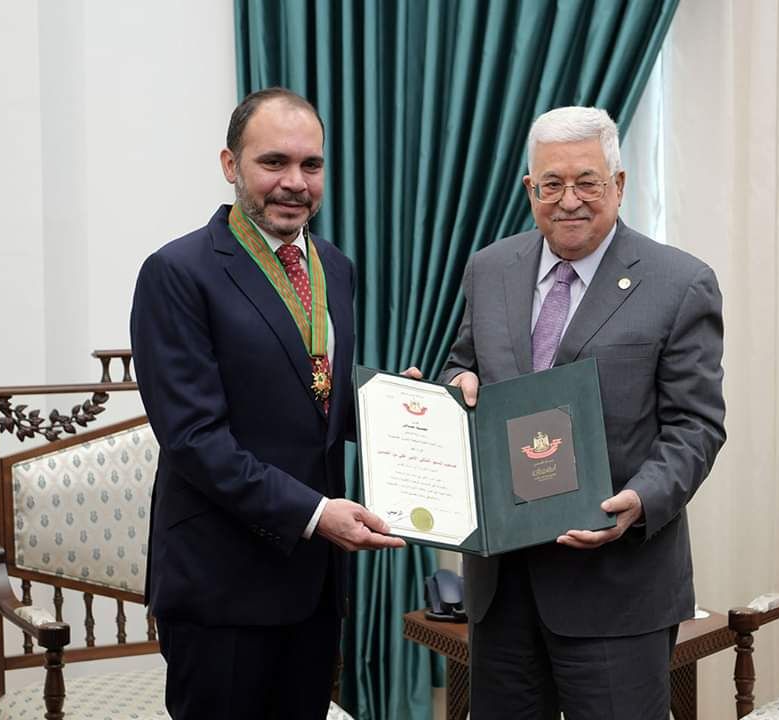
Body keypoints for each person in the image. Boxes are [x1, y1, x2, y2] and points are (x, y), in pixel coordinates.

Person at [440, 106, 726, 719]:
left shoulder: (680, 283)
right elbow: (461, 367)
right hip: (502, 587)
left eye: (587, 182)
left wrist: (641, 500)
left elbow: (695, 426)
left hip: (617, 586)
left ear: (618, 185)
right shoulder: (489, 268)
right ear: (530, 190)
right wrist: (452, 386)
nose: (569, 200)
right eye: (552, 184)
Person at [130, 87, 404, 720]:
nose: (295, 182)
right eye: (273, 162)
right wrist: (315, 513)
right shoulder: (177, 272)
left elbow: (318, 397)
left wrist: (397, 408)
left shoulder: (335, 266)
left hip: (314, 584)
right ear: (231, 164)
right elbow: (194, 439)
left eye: (311, 165)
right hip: (220, 587)